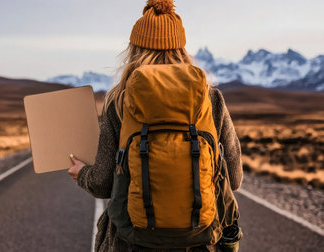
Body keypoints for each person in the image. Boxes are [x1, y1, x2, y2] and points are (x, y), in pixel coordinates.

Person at [68, 0, 243, 251]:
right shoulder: (210, 98)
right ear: (181, 47)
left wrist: (81, 173)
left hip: (130, 241)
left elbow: (103, 182)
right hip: (200, 242)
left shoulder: (120, 99)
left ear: (135, 48)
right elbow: (234, 178)